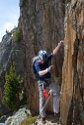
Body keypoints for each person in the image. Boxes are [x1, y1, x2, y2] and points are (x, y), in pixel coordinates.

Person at [33, 40, 64, 124]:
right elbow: (39, 73)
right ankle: (43, 117)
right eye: (43, 60)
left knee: (56, 92)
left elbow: (54, 53)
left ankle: (56, 112)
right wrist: (47, 69)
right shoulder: (37, 64)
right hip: (41, 82)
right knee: (42, 99)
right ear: (39, 59)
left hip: (49, 80)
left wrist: (59, 45)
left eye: (45, 60)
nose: (44, 62)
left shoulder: (46, 58)